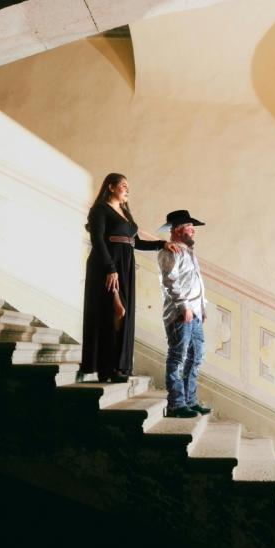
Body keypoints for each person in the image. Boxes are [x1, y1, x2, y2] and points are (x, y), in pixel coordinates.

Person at [80, 173, 180, 383]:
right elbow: (97, 240)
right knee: (116, 310)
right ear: (111, 187)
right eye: (123, 185)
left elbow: (136, 243)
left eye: (128, 186)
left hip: (125, 266)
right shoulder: (100, 209)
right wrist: (110, 268)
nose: (127, 189)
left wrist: (162, 244)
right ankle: (108, 367)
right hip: (106, 265)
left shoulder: (125, 212)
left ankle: (119, 366)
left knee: (123, 314)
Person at [157, 210, 213, 418]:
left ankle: (190, 401)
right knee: (177, 357)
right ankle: (176, 404)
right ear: (177, 230)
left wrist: (201, 308)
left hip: (194, 313)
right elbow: (170, 281)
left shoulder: (189, 252)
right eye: (190, 227)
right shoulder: (170, 251)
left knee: (197, 356)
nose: (193, 231)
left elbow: (195, 282)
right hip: (180, 314)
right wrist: (184, 306)